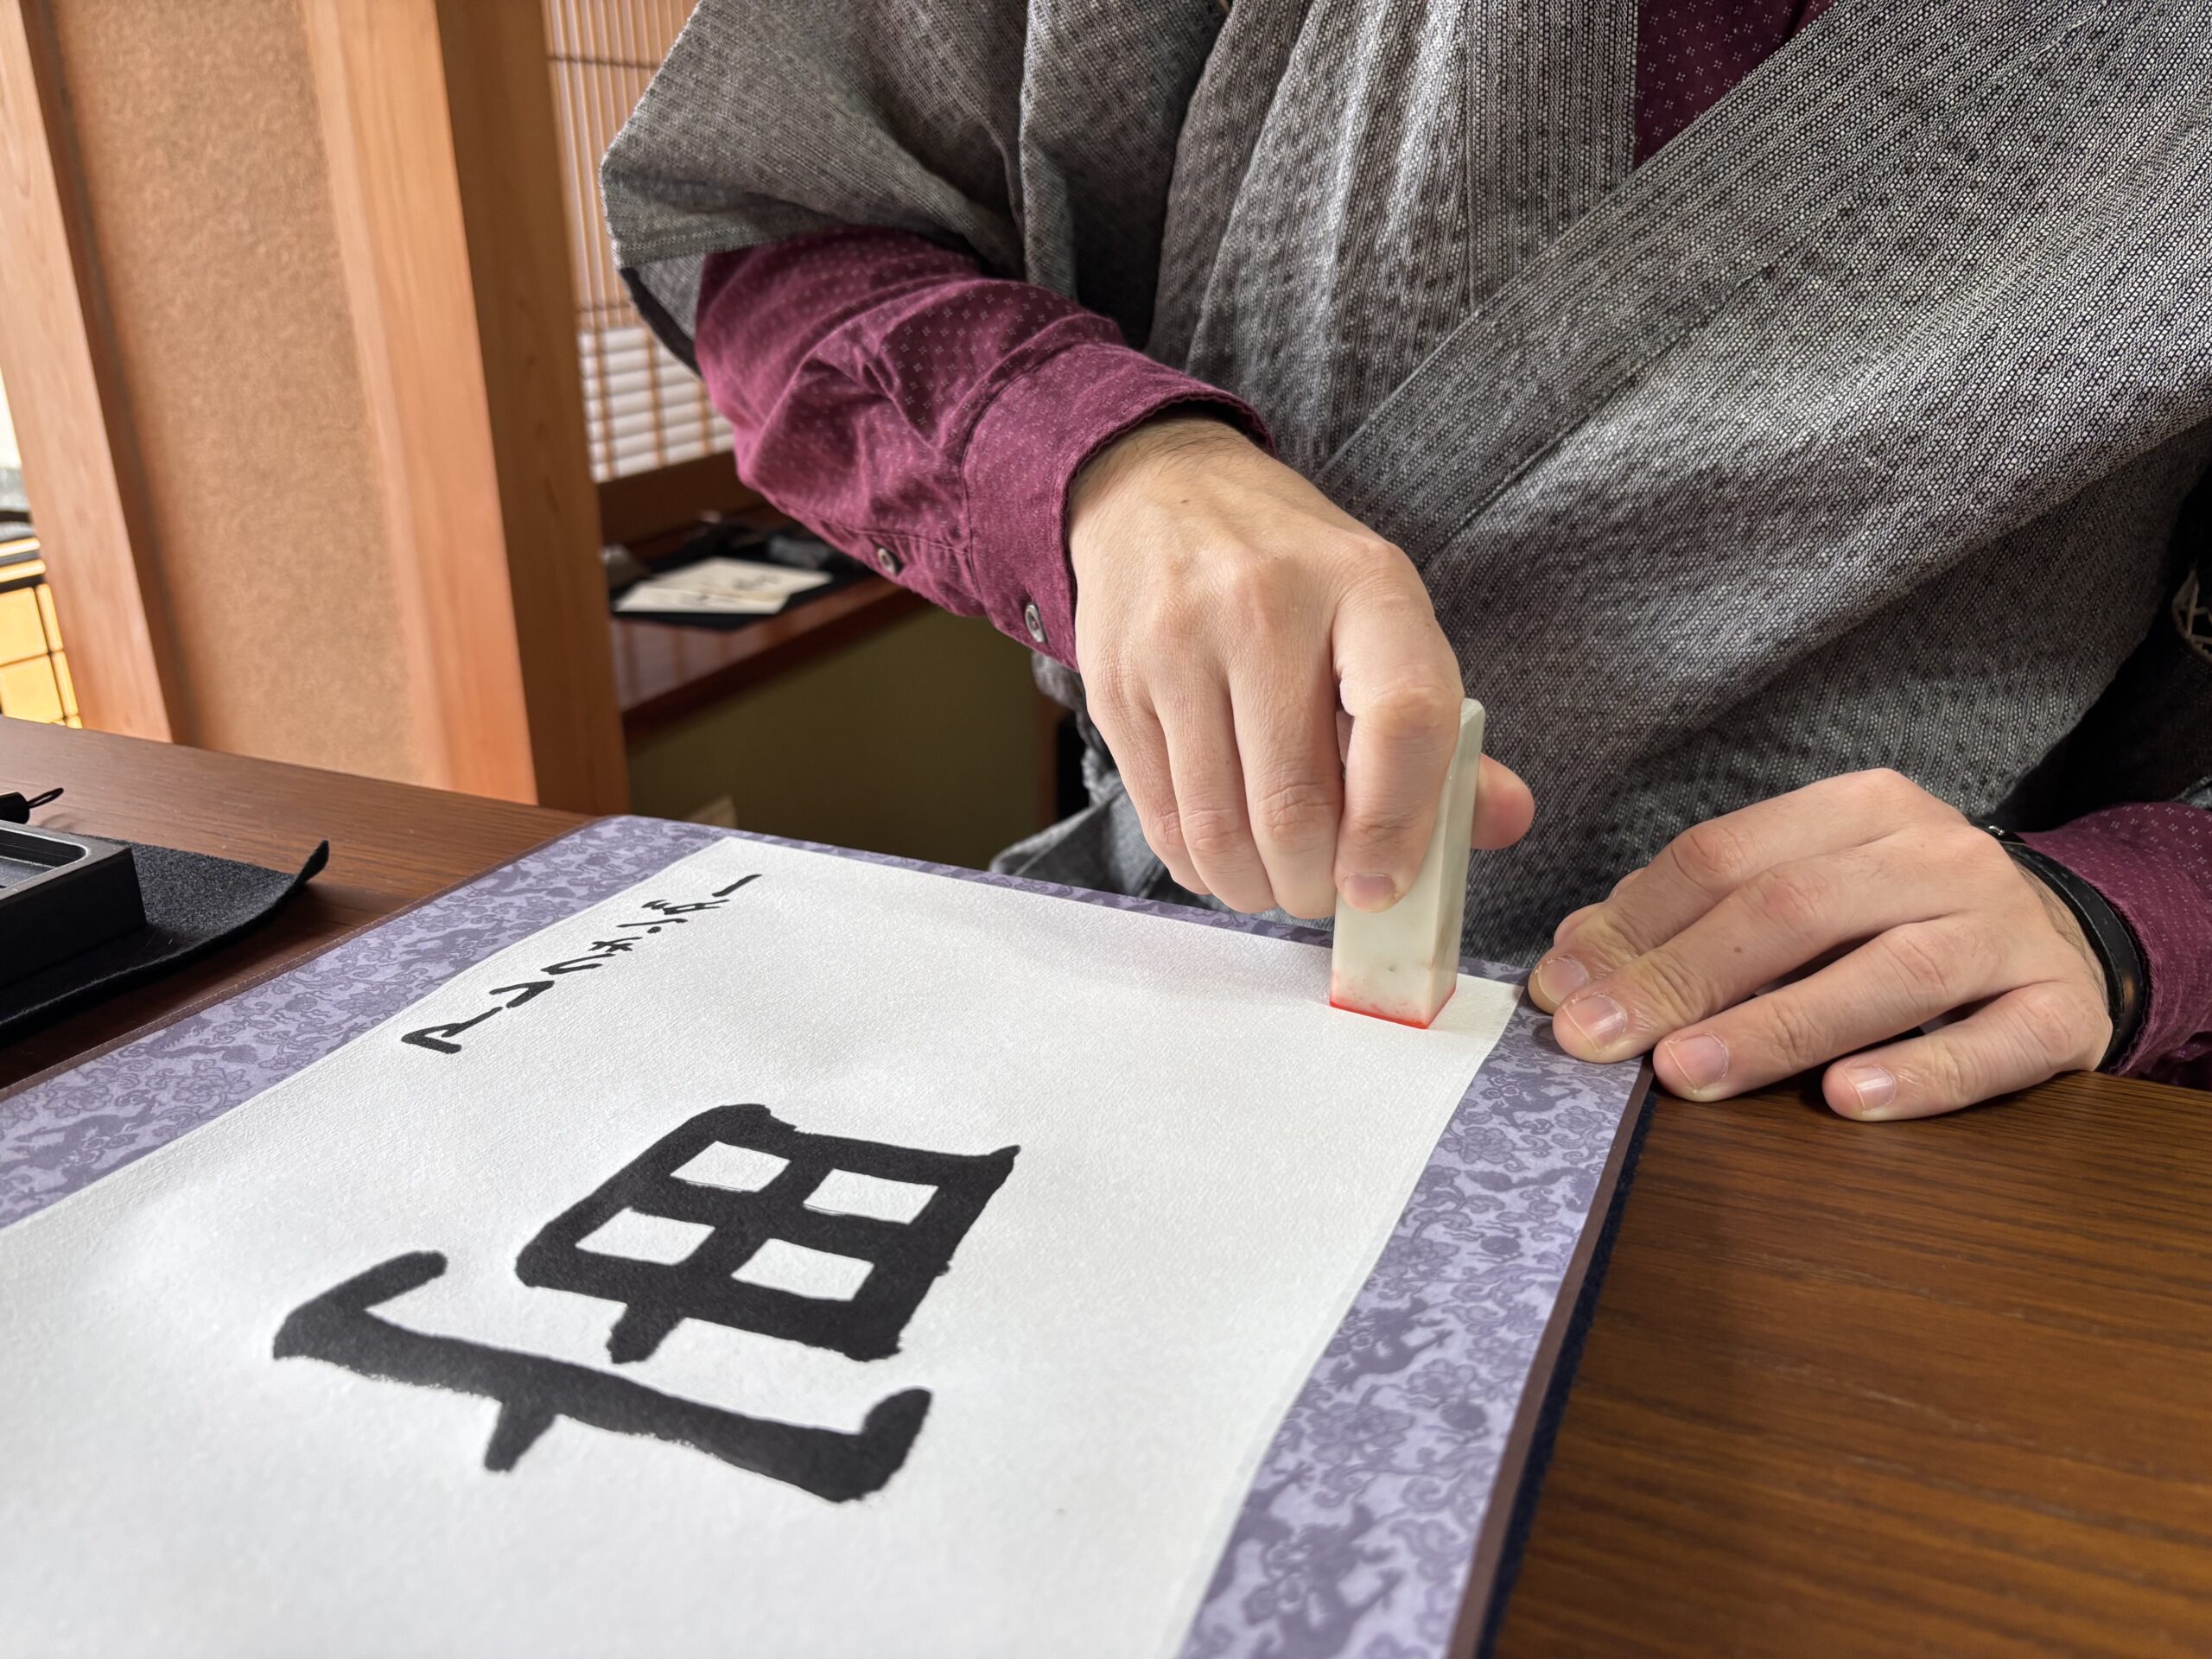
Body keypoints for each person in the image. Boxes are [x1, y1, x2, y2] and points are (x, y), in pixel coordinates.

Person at [602, 0, 2212, 1113]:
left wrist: (2129, 912)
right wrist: (1111, 466)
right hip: (1179, 984)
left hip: (1867, 1090)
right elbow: (769, 217)